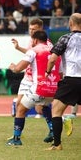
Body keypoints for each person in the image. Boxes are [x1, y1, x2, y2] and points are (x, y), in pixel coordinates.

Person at [6, 30, 62, 146]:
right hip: (54, 89)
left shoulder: (33, 51)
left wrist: (13, 67)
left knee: (21, 108)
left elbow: (18, 68)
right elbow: (61, 73)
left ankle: (16, 139)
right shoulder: (56, 52)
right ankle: (52, 130)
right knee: (45, 106)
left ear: (35, 40)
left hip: (40, 87)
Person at [45, 13, 81, 150]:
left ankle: (57, 144)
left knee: (56, 110)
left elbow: (53, 59)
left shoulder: (65, 38)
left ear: (70, 24)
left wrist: (47, 72)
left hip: (71, 79)